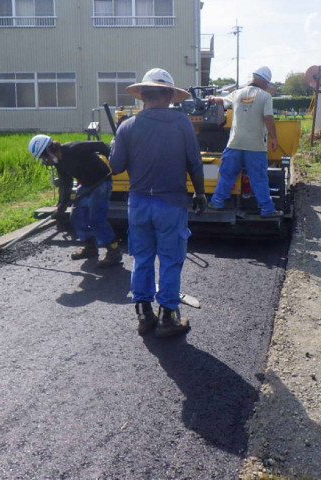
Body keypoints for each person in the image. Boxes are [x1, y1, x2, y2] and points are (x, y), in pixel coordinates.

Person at [109, 68, 207, 338]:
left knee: (142, 258)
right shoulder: (181, 123)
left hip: (138, 203)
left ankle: (144, 315)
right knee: (170, 260)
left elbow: (115, 166)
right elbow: (194, 164)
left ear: (143, 96)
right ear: (168, 95)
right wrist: (200, 193)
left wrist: (114, 144)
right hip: (171, 203)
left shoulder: (127, 126)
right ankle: (168, 318)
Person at [27, 135, 122, 267]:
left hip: (101, 183)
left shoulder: (74, 148)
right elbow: (65, 184)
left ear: (49, 150)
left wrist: (115, 164)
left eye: (44, 157)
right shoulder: (59, 163)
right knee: (77, 217)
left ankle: (114, 252)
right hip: (85, 186)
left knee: (96, 219)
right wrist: (61, 206)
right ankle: (90, 247)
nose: (45, 161)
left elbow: (102, 146)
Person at [206, 66, 282, 217]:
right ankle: (267, 210)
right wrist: (274, 138)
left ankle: (216, 202)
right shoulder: (265, 97)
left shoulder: (237, 94)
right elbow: (268, 118)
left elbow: (222, 101)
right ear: (264, 82)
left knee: (226, 175)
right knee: (259, 179)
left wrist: (212, 99)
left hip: (234, 144)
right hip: (255, 147)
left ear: (253, 78)